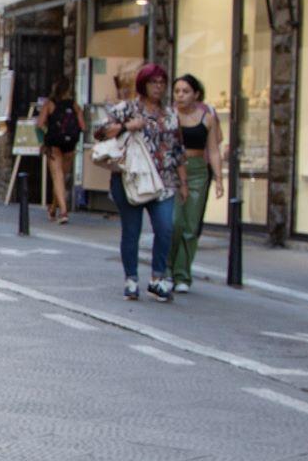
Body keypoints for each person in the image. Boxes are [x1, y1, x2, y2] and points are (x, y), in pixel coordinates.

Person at [94, 62, 185, 302]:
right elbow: (100, 132)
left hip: (163, 180)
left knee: (166, 228)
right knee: (131, 230)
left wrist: (183, 182)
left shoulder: (170, 114)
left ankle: (157, 278)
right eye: (154, 82)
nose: (159, 87)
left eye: (162, 82)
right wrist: (127, 126)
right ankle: (131, 279)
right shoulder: (127, 108)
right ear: (143, 84)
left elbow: (177, 149)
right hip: (131, 178)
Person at [167, 73, 225, 293]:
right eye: (177, 91)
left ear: (196, 94)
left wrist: (219, 179)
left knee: (191, 226)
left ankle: (183, 275)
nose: (180, 96)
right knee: (173, 223)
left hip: (199, 172)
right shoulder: (170, 116)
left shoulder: (207, 117)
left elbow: (213, 150)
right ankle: (166, 269)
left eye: (185, 91)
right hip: (173, 171)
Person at [38, 82, 82, 224]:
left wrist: (45, 137)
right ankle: (53, 208)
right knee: (62, 177)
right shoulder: (74, 105)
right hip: (70, 145)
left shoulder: (49, 104)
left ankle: (63, 212)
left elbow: (39, 124)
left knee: (58, 177)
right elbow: (83, 126)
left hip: (54, 144)